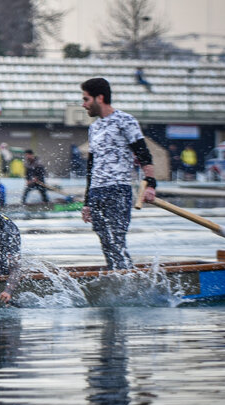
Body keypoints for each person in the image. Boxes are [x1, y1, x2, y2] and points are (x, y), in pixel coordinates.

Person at [80, 77, 156, 270]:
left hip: (118, 190)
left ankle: (127, 279)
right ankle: (119, 275)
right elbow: (91, 166)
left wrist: (151, 183)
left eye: (86, 99)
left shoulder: (125, 120)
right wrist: (87, 202)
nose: (84, 104)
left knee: (116, 240)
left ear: (100, 98)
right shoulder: (94, 127)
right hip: (97, 191)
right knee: (106, 241)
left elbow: (143, 153)